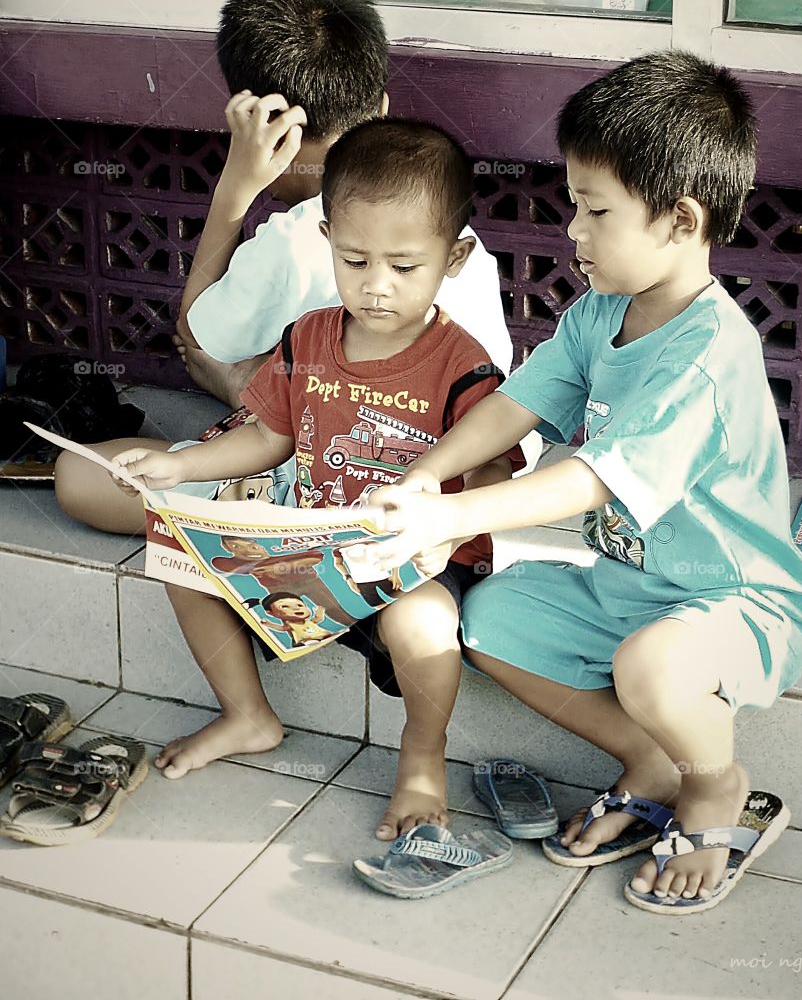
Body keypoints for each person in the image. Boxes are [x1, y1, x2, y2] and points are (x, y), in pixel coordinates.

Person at [361, 51, 802, 912]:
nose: (572, 230)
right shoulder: (599, 311)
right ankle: (648, 757)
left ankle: (711, 784)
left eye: (595, 210)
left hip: (735, 598)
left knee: (652, 666)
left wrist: (450, 514)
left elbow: (590, 481)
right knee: (491, 617)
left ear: (680, 219)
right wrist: (427, 478)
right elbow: (518, 405)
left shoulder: (708, 356)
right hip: (628, 586)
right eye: (574, 204)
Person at [109, 118, 524, 841]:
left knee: (421, 622)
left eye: (404, 265)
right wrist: (176, 468)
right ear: (328, 237)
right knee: (177, 550)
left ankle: (422, 756)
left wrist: (434, 523)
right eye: (356, 261)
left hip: (413, 564)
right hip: (311, 546)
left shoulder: (464, 363)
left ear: (454, 257)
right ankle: (247, 715)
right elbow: (269, 436)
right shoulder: (309, 338)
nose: (377, 287)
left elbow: (492, 469)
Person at [54, 0, 522, 536]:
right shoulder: (449, 234)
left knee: (79, 473)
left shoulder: (300, 231)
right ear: (380, 103)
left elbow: (200, 339)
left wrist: (236, 183)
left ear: (266, 124)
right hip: (455, 491)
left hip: (335, 490)